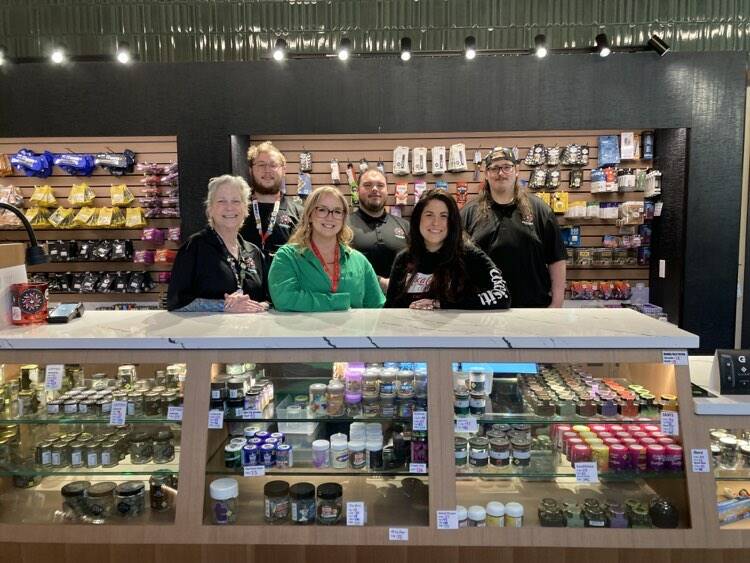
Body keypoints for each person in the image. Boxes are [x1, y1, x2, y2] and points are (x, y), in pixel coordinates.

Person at [461, 146, 567, 308]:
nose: (500, 173)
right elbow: (455, 260)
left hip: (532, 309)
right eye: (494, 168)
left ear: (517, 170)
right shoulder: (469, 213)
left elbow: (557, 259)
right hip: (484, 310)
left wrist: (557, 303)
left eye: (506, 167)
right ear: (486, 174)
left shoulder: (540, 210)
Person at [385, 189, 510, 310]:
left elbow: (502, 296)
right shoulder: (404, 258)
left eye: (444, 216)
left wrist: (444, 304)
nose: (436, 222)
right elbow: (391, 308)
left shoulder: (469, 255)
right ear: (418, 219)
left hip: (458, 330)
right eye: (429, 215)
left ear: (452, 221)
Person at [268, 186, 385, 312]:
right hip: (303, 331)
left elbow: (377, 307)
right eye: (322, 210)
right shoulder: (287, 257)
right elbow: (285, 299)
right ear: (310, 215)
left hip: (352, 332)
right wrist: (338, 302)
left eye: (337, 211)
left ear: (344, 218)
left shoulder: (359, 261)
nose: (330, 217)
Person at [167, 175, 268, 313]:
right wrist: (223, 306)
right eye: (221, 201)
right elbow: (176, 302)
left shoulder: (254, 252)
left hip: (251, 332)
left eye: (236, 201)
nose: (229, 207)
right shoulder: (194, 248)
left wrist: (260, 306)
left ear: (245, 208)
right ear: (210, 208)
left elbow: (268, 300)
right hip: (209, 333)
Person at [240, 141, 303, 263]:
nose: (267, 170)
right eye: (261, 165)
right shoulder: (236, 211)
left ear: (284, 170)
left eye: (273, 165)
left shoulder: (299, 213)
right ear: (251, 170)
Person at [349, 168, 409, 292]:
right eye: (367, 185)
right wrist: (378, 282)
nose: (375, 189)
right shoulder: (343, 226)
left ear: (387, 190)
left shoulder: (405, 226)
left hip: (399, 306)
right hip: (358, 305)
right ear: (357, 190)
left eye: (380, 185)